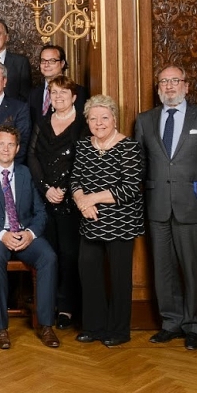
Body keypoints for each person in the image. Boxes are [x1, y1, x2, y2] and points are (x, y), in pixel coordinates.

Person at [135, 66, 197, 350]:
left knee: (193, 269)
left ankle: (194, 326)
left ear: (186, 86)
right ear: (158, 87)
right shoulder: (145, 120)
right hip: (158, 206)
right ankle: (170, 323)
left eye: (175, 81)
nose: (170, 86)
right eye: (164, 81)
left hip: (192, 208)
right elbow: (140, 164)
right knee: (163, 270)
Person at [0, 125, 60, 349]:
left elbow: (40, 212)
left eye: (10, 144)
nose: (5, 149)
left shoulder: (25, 173)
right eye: (1, 144)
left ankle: (46, 325)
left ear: (18, 148)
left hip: (23, 233)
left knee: (48, 257)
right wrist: (2, 235)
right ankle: (1, 328)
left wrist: (30, 234)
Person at [69, 95, 144, 347]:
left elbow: (130, 188)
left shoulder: (129, 147)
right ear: (87, 121)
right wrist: (82, 202)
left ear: (114, 119)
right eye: (93, 118)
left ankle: (119, 330)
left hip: (121, 222)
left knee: (120, 278)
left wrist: (91, 199)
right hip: (89, 219)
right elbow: (75, 180)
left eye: (104, 117)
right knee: (88, 272)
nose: (99, 123)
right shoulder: (83, 146)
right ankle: (94, 326)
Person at [27, 74, 87, 330]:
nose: (59, 97)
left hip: (72, 200)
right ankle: (47, 304)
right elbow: (31, 157)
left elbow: (83, 160)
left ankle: (67, 307)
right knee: (48, 254)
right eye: (54, 93)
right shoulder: (42, 122)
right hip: (44, 199)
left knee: (69, 254)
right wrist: (45, 188)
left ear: (74, 97)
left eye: (64, 93)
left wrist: (64, 189)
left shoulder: (83, 124)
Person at [28, 44, 86, 125]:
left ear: (62, 63)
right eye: (43, 61)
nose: (46, 65)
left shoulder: (78, 91)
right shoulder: (33, 94)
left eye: (52, 61)